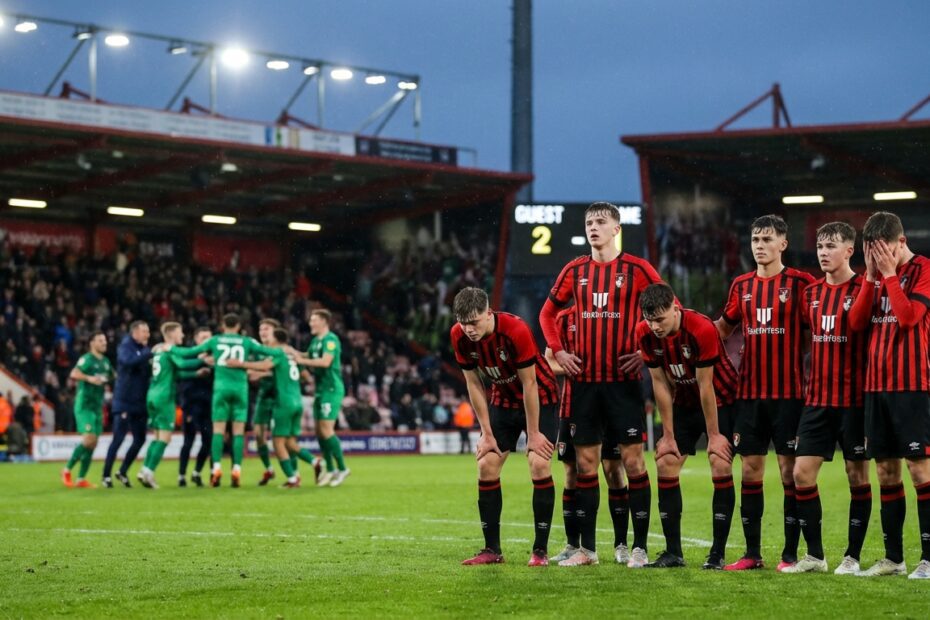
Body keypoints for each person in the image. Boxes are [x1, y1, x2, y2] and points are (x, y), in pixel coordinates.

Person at [539, 201, 660, 567]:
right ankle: (588, 550)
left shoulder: (638, 269)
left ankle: (637, 546)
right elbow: (546, 313)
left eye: (601, 221)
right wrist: (559, 352)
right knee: (586, 465)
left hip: (623, 384)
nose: (594, 227)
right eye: (590, 222)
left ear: (616, 229)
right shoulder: (574, 270)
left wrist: (646, 351)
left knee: (633, 464)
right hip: (584, 386)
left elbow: (668, 310)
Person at [715, 214, 815, 571]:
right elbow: (721, 330)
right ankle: (752, 553)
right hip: (750, 395)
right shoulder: (741, 285)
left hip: (789, 396)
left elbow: (809, 336)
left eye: (767, 239)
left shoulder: (802, 283)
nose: (759, 245)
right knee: (751, 471)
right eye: (755, 239)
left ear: (783, 244)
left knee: (790, 473)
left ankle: (790, 553)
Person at [784, 222, 872, 574]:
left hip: (854, 402)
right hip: (817, 400)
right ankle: (816, 556)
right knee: (801, 473)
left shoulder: (865, 288)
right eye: (820, 245)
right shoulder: (811, 294)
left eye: (831, 245)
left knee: (857, 477)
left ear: (849, 250)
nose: (823, 252)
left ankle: (852, 557)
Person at [848, 211, 930, 579]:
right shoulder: (875, 274)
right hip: (876, 388)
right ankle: (894, 559)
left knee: (919, 470)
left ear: (900, 242)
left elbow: (909, 317)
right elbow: (857, 323)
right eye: (872, 253)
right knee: (885, 471)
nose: (880, 259)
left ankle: (928, 559)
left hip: (912, 387)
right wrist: (869, 276)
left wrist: (891, 276)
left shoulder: (924, 269)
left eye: (884, 252)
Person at [451, 287, 558, 566]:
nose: (469, 329)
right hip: (503, 398)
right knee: (486, 464)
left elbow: (530, 383)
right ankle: (491, 550)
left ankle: (540, 551)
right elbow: (474, 382)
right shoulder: (458, 336)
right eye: (463, 323)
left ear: (489, 313)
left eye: (474, 322)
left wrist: (533, 434)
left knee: (539, 464)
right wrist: (486, 433)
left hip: (541, 398)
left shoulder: (515, 330)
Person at [637, 283, 737, 569]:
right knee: (666, 461)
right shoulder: (643, 333)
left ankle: (717, 554)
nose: (654, 325)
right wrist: (667, 436)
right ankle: (673, 553)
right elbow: (659, 383)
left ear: (675, 309)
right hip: (685, 401)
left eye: (660, 319)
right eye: (649, 319)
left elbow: (707, 386)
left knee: (720, 461)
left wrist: (715, 435)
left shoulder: (701, 328)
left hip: (722, 400)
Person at [545, 306, 631, 566]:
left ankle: (621, 545)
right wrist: (571, 365)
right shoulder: (563, 318)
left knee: (613, 471)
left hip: (609, 405)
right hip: (572, 407)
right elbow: (548, 359)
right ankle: (573, 545)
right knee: (571, 472)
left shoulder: (614, 315)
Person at [173, 313, 275, 487]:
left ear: (222, 325)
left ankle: (217, 468)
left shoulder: (215, 340)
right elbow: (270, 352)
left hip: (220, 389)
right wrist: (288, 352)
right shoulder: (247, 341)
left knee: (218, 431)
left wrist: (168, 348)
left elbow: (189, 352)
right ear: (238, 326)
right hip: (240, 389)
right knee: (237, 432)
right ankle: (236, 469)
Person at [232, 328, 321, 487]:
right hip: (297, 402)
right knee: (290, 443)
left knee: (277, 443)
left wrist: (240, 364)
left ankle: (292, 479)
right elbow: (306, 377)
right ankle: (314, 461)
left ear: (276, 339)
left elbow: (265, 365)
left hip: (283, 403)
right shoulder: (293, 355)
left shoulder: (278, 353)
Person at [136, 322, 205, 489]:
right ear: (172, 334)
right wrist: (201, 360)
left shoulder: (159, 351)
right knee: (165, 438)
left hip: (152, 394)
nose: (182, 336)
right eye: (180, 332)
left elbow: (177, 372)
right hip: (164, 397)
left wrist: (196, 373)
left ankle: (144, 469)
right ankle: (149, 472)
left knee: (158, 436)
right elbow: (182, 364)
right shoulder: (169, 349)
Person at [291, 309, 350, 487]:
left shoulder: (331, 340)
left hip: (332, 389)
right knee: (319, 431)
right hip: (321, 390)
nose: (310, 323)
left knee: (326, 429)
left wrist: (301, 361)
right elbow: (307, 355)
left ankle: (342, 468)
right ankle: (330, 469)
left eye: (314, 320)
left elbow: (325, 362)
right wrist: (291, 352)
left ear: (324, 322)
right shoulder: (316, 341)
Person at [61, 332, 115, 488]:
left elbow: (112, 376)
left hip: (97, 406)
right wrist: (89, 378)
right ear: (92, 343)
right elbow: (74, 373)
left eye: (105, 340)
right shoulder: (87, 359)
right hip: (84, 405)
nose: (104, 342)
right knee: (89, 439)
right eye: (100, 340)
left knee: (93, 443)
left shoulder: (105, 361)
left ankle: (81, 479)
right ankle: (66, 469)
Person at [102, 320, 152, 488]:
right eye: (144, 331)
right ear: (135, 333)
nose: (148, 334)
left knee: (140, 438)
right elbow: (128, 361)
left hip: (140, 402)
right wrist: (149, 353)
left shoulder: (144, 350)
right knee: (119, 438)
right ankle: (106, 475)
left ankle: (122, 471)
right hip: (124, 401)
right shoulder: (125, 346)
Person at [178, 326, 214, 487]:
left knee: (208, 441)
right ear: (196, 340)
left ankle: (197, 472)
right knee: (188, 441)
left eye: (209, 338)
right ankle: (181, 475)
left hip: (208, 406)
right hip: (191, 406)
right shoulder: (188, 356)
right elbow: (180, 376)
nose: (206, 341)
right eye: (203, 338)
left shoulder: (215, 358)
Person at [251, 318, 281, 485]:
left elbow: (279, 371)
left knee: (282, 439)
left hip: (279, 398)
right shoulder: (258, 351)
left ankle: (294, 473)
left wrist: (260, 373)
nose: (262, 332)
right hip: (263, 396)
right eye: (261, 329)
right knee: (258, 435)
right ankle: (269, 469)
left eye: (266, 329)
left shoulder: (280, 350)